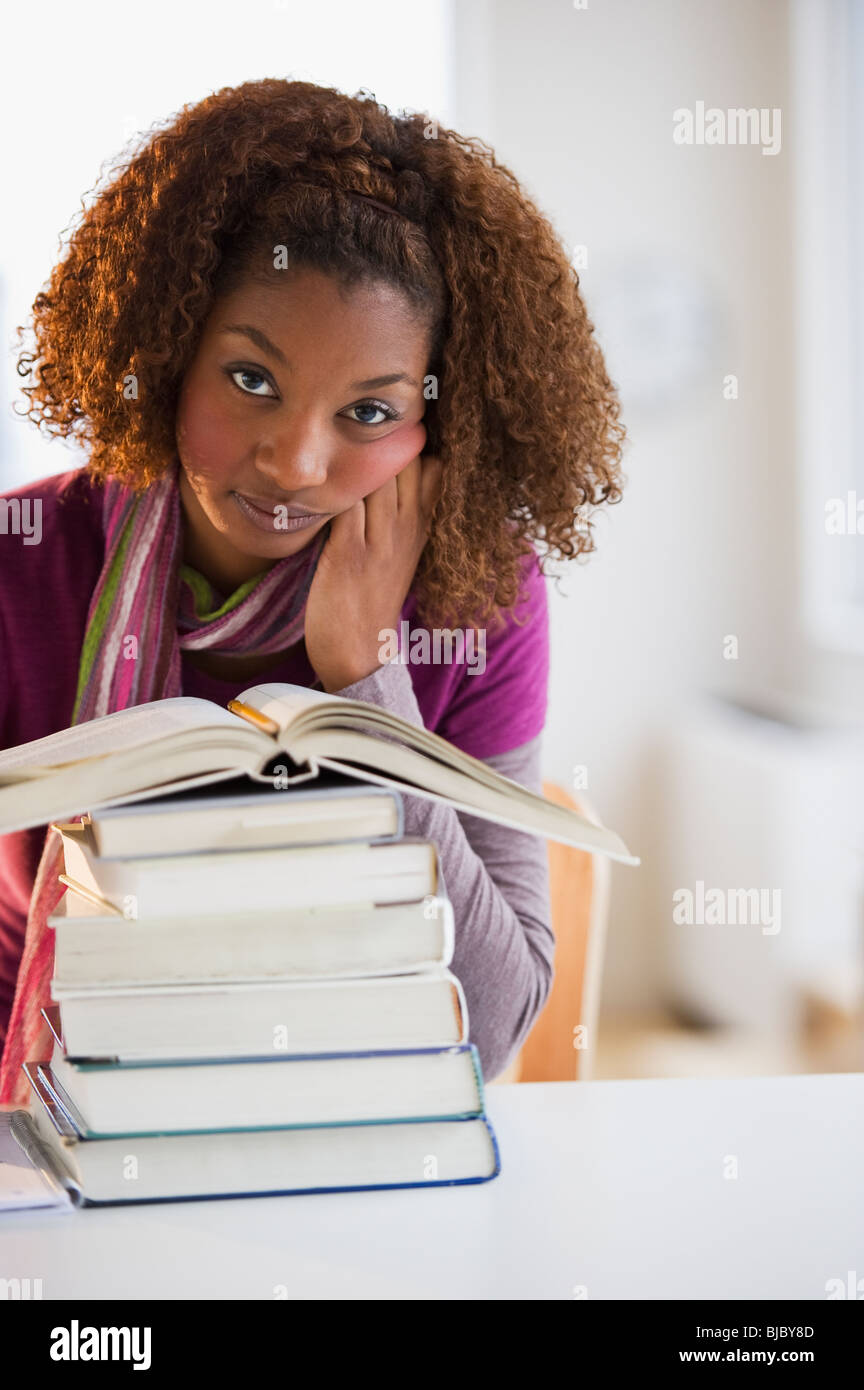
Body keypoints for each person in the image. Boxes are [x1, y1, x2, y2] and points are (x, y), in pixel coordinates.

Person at [0, 79, 624, 1104]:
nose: (294, 462)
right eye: (251, 380)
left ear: (440, 424)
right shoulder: (24, 563)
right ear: (166, 357)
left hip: (367, 1128)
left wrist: (369, 684)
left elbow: (497, 1021)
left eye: (369, 411)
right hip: (66, 1142)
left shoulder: (480, 596)